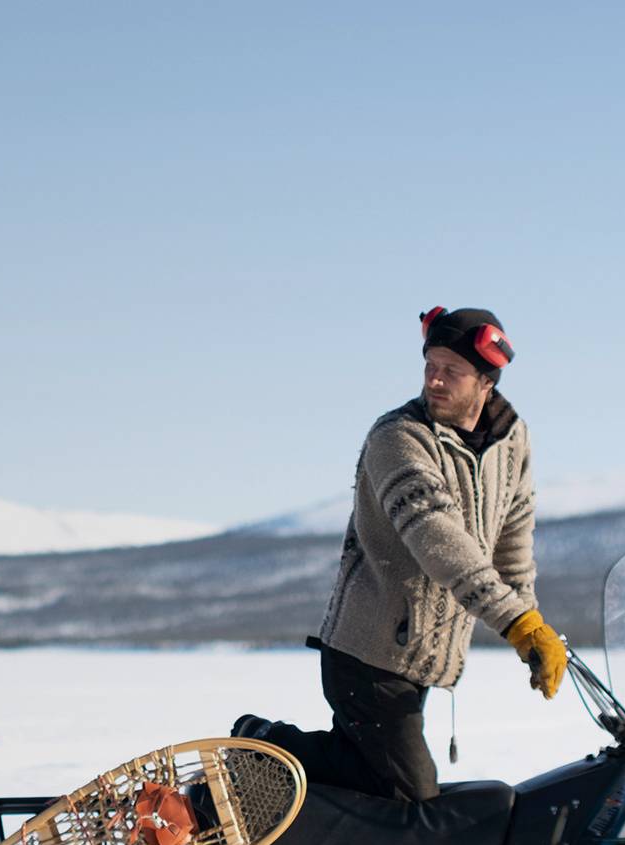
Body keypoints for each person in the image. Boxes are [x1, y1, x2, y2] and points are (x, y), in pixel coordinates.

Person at [237, 306, 566, 801]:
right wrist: (513, 621)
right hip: (367, 653)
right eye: (430, 366)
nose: (435, 380)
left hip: (424, 658)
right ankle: (265, 746)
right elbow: (437, 538)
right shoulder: (397, 438)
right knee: (409, 796)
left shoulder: (511, 439)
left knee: (373, 780)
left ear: (485, 382)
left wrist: (530, 619)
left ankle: (276, 770)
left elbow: (512, 537)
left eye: (451, 371)